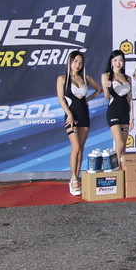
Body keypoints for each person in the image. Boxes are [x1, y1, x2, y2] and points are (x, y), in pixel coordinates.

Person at [56, 50, 101, 196]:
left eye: (80, 62)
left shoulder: (85, 77)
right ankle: (74, 178)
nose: (78, 65)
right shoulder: (62, 79)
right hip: (71, 116)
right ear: (70, 62)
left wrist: (86, 100)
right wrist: (69, 114)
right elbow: (61, 99)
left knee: (81, 148)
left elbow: (98, 89)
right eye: (75, 61)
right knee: (75, 147)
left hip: (84, 116)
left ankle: (76, 177)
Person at [101, 49, 134, 162]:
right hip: (113, 111)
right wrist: (106, 87)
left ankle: (122, 169)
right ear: (111, 61)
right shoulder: (106, 76)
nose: (118, 63)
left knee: (123, 146)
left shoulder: (128, 78)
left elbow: (130, 98)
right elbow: (106, 96)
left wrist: (132, 117)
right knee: (119, 143)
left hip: (125, 112)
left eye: (120, 60)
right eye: (115, 60)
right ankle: (117, 169)